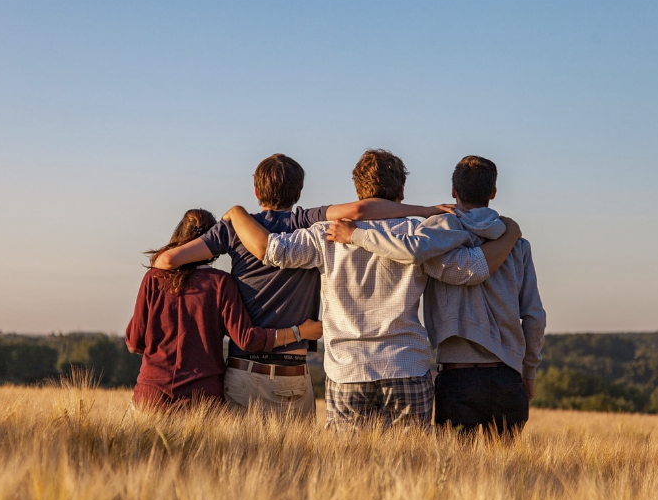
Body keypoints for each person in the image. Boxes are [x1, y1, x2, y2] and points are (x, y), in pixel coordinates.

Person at [222, 149, 522, 430]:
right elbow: (470, 270)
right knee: (411, 468)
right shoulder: (418, 235)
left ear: (357, 191)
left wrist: (237, 213)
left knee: (348, 470)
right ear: (401, 192)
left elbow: (272, 251)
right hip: (406, 365)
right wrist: (510, 235)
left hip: (347, 370)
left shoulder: (325, 234)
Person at [151, 153, 453, 418]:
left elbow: (166, 262)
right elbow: (361, 211)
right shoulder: (307, 221)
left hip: (244, 370)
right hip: (294, 373)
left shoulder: (234, 228)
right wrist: (425, 211)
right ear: (299, 192)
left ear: (256, 191)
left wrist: (232, 220)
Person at [327, 155, 545, 437]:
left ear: (454, 191)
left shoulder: (434, 236)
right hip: (508, 376)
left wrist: (356, 235)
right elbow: (534, 316)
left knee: (453, 473)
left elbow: (414, 252)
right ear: (493, 192)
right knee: (506, 475)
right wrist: (529, 371)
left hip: (457, 377)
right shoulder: (517, 244)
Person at [125, 208, 322, 412]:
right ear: (213, 243)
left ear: (179, 235)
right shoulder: (220, 283)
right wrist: (300, 332)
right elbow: (247, 339)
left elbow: (135, 342)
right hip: (201, 401)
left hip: (151, 396)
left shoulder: (153, 278)